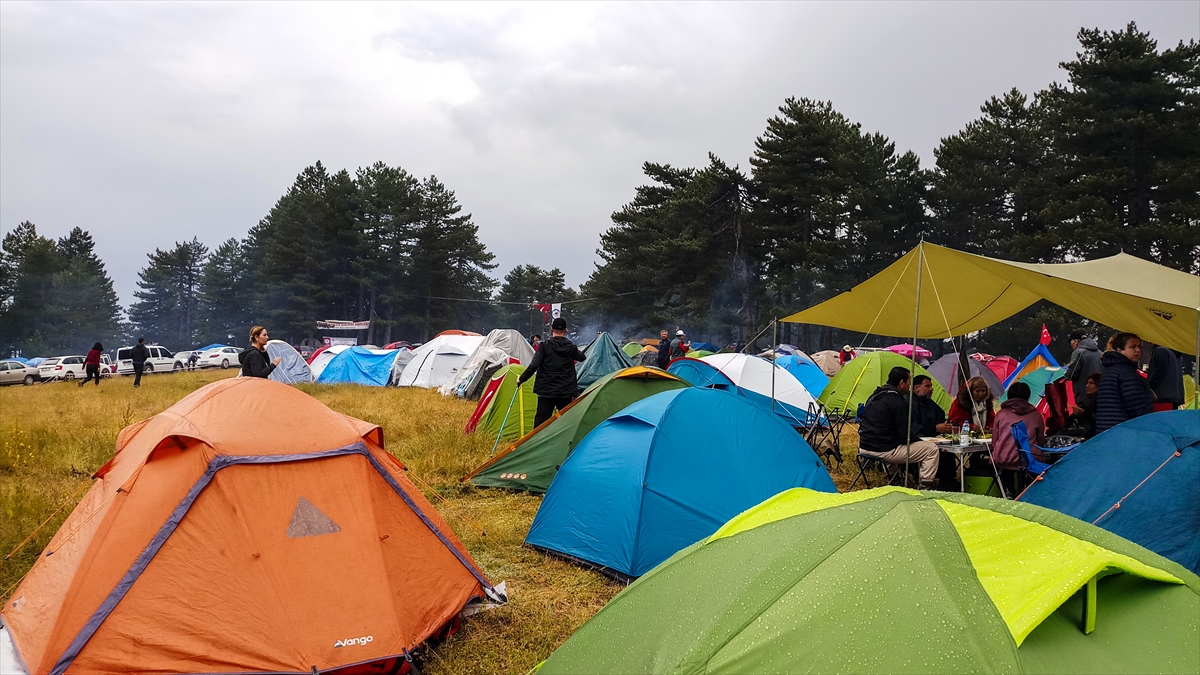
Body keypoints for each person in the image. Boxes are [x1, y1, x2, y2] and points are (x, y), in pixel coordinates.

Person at [856, 366, 941, 490]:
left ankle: (894, 479)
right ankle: (925, 486)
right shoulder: (898, 402)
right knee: (931, 449)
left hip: (864, 447)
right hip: (883, 450)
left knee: (891, 442)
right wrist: (919, 439)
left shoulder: (874, 396)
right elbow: (904, 435)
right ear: (901, 383)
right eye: (909, 382)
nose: (909, 386)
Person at [518, 318, 586, 426]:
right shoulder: (571, 347)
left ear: (551, 329)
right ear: (566, 330)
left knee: (541, 422)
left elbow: (534, 365)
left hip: (546, 390)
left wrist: (521, 379)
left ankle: (537, 442)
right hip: (565, 390)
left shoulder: (544, 346)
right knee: (565, 422)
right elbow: (582, 357)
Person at [1095, 332, 1154, 433]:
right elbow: (1137, 406)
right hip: (1125, 431)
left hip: (1106, 430)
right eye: (1133, 347)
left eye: (1139, 346)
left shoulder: (1109, 371)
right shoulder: (1127, 373)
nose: (1138, 350)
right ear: (1120, 350)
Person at [992, 381, 1045, 470]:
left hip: (1004, 460)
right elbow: (1041, 442)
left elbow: (994, 442)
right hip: (1030, 461)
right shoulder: (1036, 415)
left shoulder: (1001, 414)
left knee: (1005, 482)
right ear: (1028, 396)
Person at [1064, 331, 1103, 403]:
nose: (1071, 344)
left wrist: (1066, 375)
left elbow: (1073, 373)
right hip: (1100, 393)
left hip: (1084, 394)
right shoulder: (1100, 353)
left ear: (1075, 341)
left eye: (1071, 341)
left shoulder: (1078, 352)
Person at [1147, 345, 1185, 411]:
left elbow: (1158, 374)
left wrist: (1147, 386)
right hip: (1175, 397)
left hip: (1160, 397)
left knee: (1159, 420)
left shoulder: (1161, 351)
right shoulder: (1175, 353)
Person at [1064, 372, 1101, 438]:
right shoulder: (1088, 402)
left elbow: (1096, 421)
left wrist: (1083, 413)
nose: (1087, 385)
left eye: (1091, 383)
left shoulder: (1099, 402)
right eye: (1087, 383)